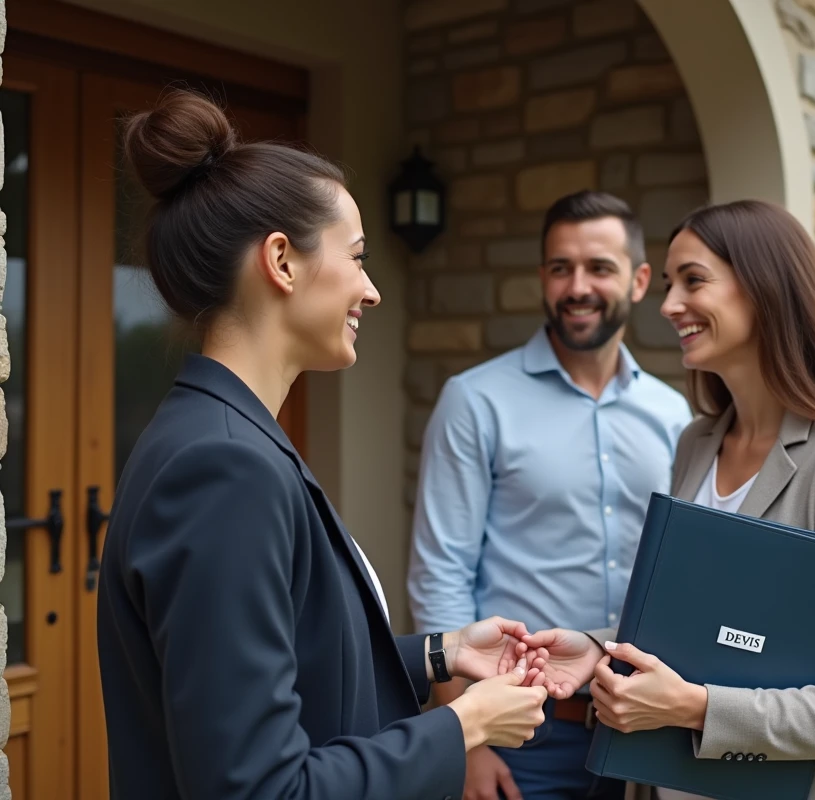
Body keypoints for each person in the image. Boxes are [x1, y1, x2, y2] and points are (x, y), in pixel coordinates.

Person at [95, 89, 549, 800]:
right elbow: (258, 788)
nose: (371, 290)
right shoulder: (223, 468)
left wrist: (441, 653)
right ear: (281, 260)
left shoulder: (232, 436)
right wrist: (463, 726)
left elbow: (296, 665)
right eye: (359, 257)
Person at [518, 199, 815, 800]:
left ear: (766, 289)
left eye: (694, 280)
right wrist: (600, 647)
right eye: (671, 282)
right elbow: (697, 626)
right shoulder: (696, 442)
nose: (671, 303)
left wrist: (696, 707)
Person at [406, 190, 694, 799]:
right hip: (518, 732)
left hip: (640, 730)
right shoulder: (476, 401)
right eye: (560, 268)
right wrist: (469, 738)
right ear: (542, 277)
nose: (577, 286)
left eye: (599, 268)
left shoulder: (673, 416)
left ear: (640, 280)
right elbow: (440, 574)